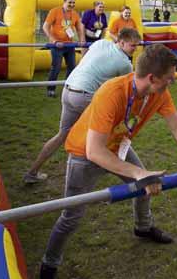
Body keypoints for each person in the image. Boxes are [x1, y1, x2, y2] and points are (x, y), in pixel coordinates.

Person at [39, 44, 177, 279]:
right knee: (71, 216)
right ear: (152, 78)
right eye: (168, 78)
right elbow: (95, 151)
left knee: (143, 188)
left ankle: (143, 228)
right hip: (85, 154)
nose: (172, 83)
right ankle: (48, 266)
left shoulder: (159, 93)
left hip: (118, 148)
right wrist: (137, 174)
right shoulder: (111, 92)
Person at [23, 28, 143, 184]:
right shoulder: (125, 64)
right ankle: (130, 172)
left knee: (63, 135)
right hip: (84, 95)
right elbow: (122, 91)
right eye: (133, 46)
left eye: (137, 45)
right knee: (110, 134)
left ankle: (32, 173)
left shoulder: (101, 43)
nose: (135, 49)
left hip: (68, 89)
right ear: (121, 42)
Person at [43, 0, 86, 98]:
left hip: (69, 45)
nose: (72, 5)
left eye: (73, 3)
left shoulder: (75, 14)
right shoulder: (55, 11)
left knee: (72, 67)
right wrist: (54, 41)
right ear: (64, 2)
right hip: (57, 46)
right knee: (56, 67)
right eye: (69, 2)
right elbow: (45, 27)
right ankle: (51, 89)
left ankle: (68, 88)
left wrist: (81, 40)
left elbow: (80, 29)